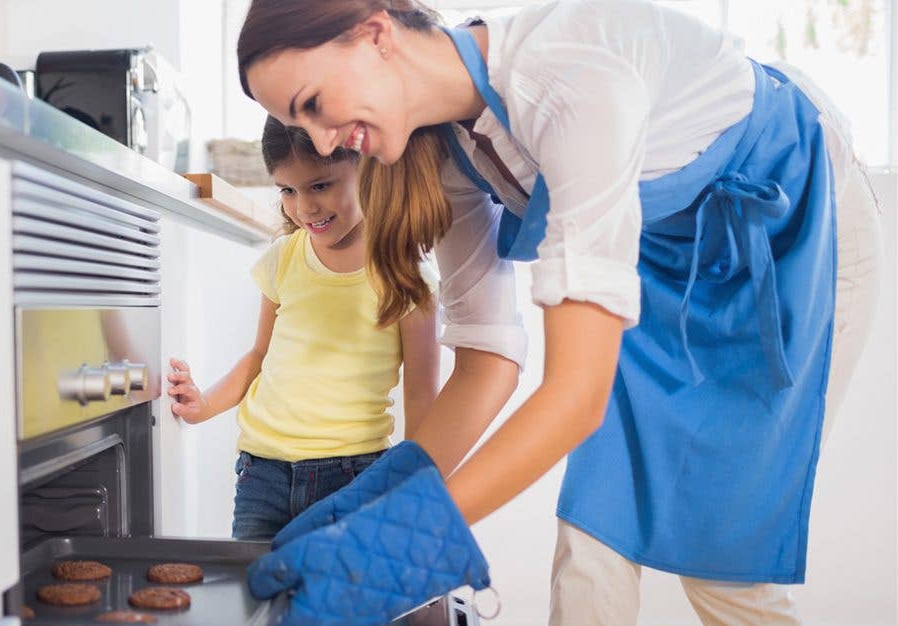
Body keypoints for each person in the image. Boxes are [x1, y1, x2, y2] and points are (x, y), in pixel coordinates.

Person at [235, 0, 884, 624]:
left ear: (376, 35)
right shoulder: (447, 151)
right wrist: (369, 501)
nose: (324, 138)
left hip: (791, 240)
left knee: (722, 567)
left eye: (314, 105)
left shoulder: (571, 82)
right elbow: (487, 361)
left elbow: (576, 398)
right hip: (661, 263)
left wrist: (395, 542)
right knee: (592, 539)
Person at [166, 116, 442, 541]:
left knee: (339, 603)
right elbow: (259, 356)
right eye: (288, 190)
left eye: (320, 185)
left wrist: (415, 486)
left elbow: (422, 392)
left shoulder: (406, 276)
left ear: (367, 168)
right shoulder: (284, 257)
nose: (304, 207)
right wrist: (204, 404)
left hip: (353, 474)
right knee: (257, 600)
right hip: (262, 472)